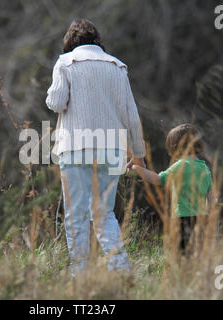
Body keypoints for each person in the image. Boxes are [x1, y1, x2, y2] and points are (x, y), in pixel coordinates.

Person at [46, 19, 145, 275]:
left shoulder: (65, 63)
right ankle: (121, 270)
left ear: (70, 41)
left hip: (75, 148)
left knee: (76, 216)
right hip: (111, 149)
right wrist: (138, 154)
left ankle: (80, 275)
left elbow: (56, 102)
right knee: (104, 214)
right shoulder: (117, 66)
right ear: (96, 40)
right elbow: (131, 117)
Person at [128, 124, 213, 253]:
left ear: (175, 147)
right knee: (197, 253)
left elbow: (158, 180)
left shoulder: (180, 166)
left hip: (183, 218)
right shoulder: (205, 168)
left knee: (181, 253)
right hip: (201, 217)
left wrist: (136, 168)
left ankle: (183, 273)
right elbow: (210, 196)